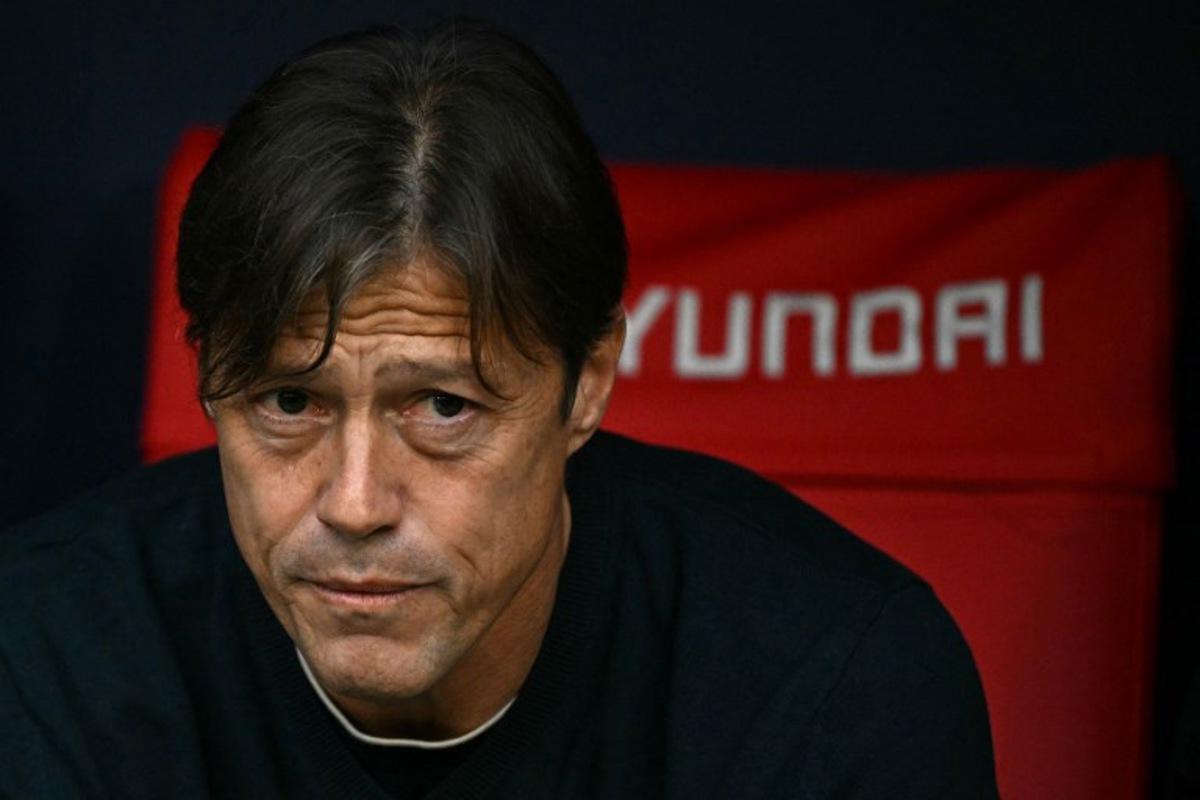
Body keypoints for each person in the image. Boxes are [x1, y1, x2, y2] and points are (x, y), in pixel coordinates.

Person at [0, 21, 998, 799]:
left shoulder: (834, 681)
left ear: (588, 381)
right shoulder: (41, 654)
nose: (353, 504)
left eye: (442, 405)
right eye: (289, 400)